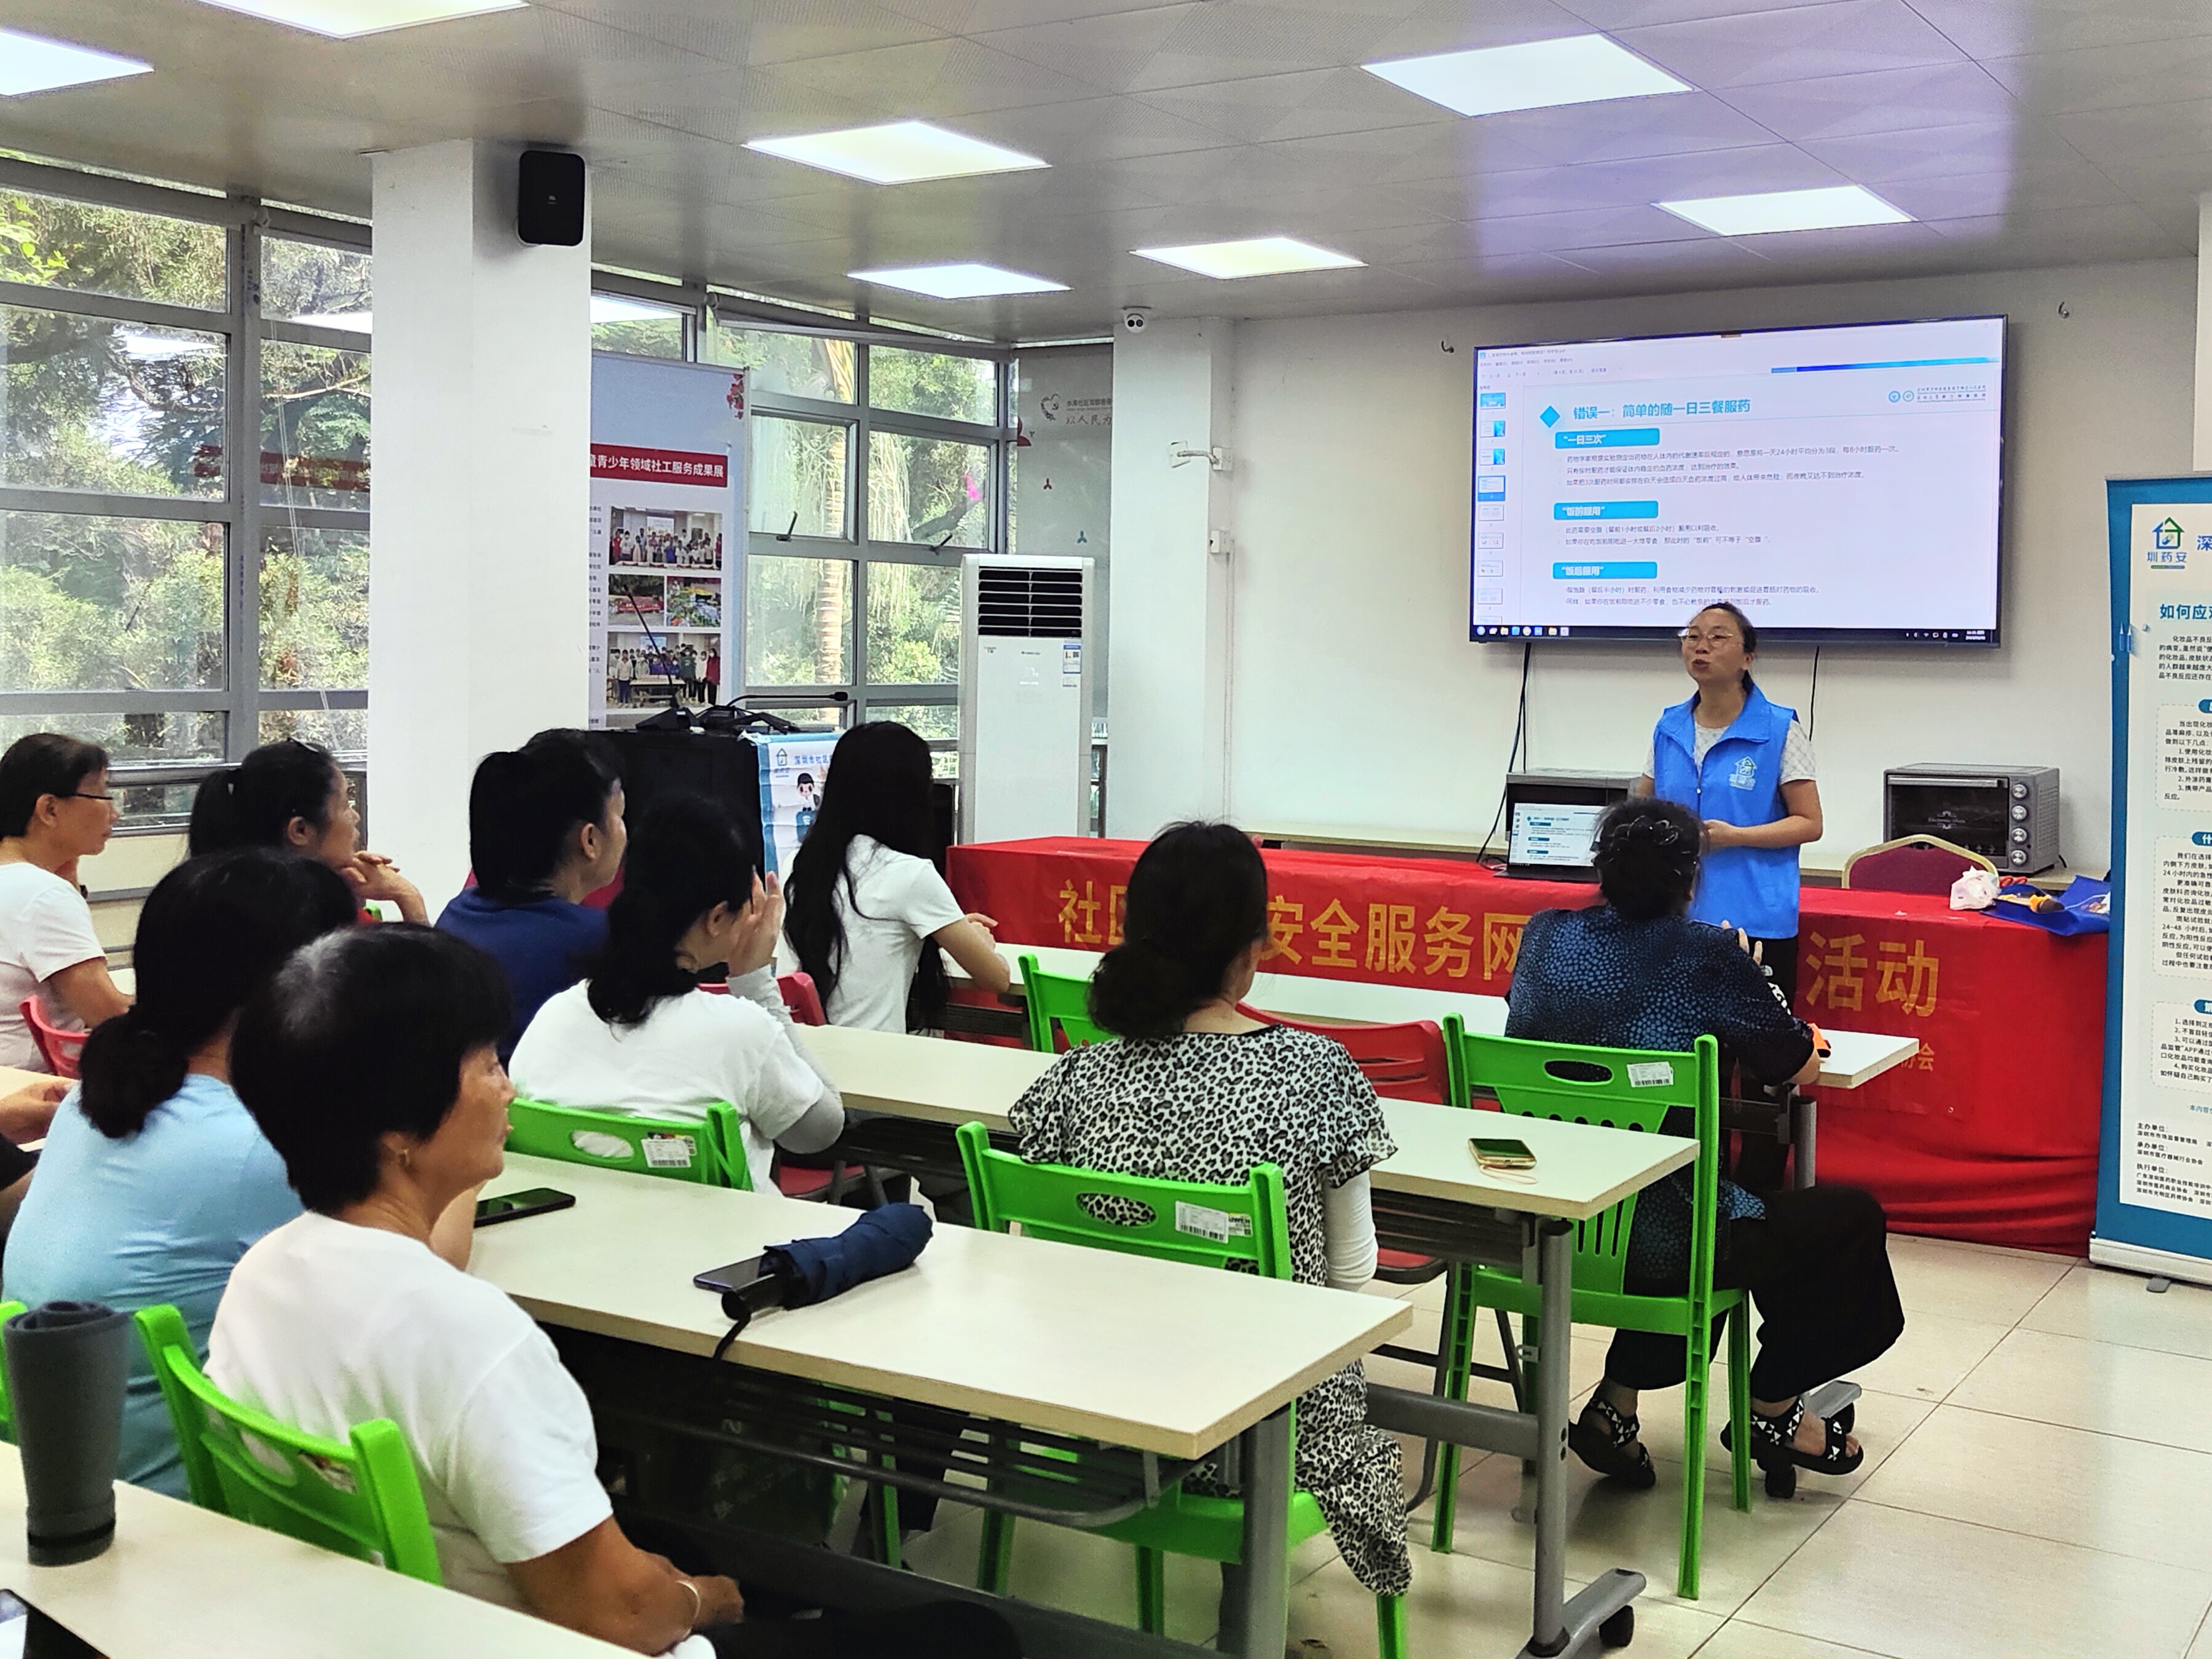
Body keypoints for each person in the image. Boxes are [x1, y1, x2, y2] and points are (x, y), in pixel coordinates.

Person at [213, 926, 1015, 1659]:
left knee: (678, 1541)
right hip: (537, 1637)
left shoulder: (262, 1276)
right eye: (486, 1064)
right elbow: (623, 1616)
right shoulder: (474, 1337)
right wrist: (702, 1599)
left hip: (379, 1624)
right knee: (974, 1633)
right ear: (399, 1130)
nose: (508, 1088)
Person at [1007, 822, 1410, 1604]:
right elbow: (1352, 1271)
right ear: (1253, 946)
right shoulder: (1314, 1069)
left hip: (1099, 1411)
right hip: (1262, 1431)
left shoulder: (1074, 1078)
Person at [1505, 797, 1903, 1491]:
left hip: (1548, 1218)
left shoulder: (1543, 935)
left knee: (1712, 1211)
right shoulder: (1707, 954)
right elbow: (1797, 1064)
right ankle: (1772, 1406)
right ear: (1691, 880)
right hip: (1660, 1238)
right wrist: (1759, 984)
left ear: (1602, 870)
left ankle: (1615, 1408)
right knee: (1837, 1221)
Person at [4, 848, 361, 1498]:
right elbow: (412, 1288)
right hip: (185, 1508)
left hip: (70, 1478)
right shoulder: (257, 1149)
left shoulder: (95, 1104)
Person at [510, 794, 842, 1191]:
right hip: (722, 1233)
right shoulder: (739, 1032)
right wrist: (755, 982)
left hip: (582, 1229)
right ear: (717, 918)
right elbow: (821, 1130)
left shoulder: (552, 1020)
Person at [1637, 602, 1822, 1185]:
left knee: (1765, 1076)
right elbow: (1639, 809)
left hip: (1757, 923)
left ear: (1748, 656)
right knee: (1693, 1072)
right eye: (1692, 635)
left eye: (1718, 637)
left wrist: (1735, 835)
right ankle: (1697, 1197)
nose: (1700, 645)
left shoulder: (1779, 727)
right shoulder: (1669, 726)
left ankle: (1758, 1199)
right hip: (1680, 924)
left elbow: (1810, 822)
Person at [781, 722, 1009, 1033]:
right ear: (910, 798)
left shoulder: (799, 865)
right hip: (875, 1057)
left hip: (799, 1051)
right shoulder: (910, 875)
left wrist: (950, 928)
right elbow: (996, 979)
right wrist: (981, 943)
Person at [437, 731, 626, 1058]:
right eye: (619, 815)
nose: (625, 831)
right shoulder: (600, 940)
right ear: (590, 840)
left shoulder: (457, 915)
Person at [0, 733, 131, 1070]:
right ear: (50, 809)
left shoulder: (22, 882)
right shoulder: (41, 894)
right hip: (32, 1088)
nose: (114, 813)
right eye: (103, 795)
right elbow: (111, 1016)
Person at [189, 739, 427, 923]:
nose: (355, 817)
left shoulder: (208, 904)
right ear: (300, 830)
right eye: (345, 805)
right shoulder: (329, 930)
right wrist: (407, 896)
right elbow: (428, 974)